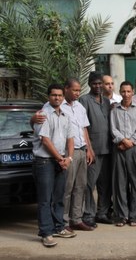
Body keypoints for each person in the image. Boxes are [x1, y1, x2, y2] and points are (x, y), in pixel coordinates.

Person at [32, 83, 76, 247]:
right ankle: (46, 232)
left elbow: (70, 138)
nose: (57, 98)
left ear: (63, 97)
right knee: (45, 199)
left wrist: (69, 158)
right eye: (53, 95)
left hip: (61, 161)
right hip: (45, 162)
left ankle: (59, 227)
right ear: (48, 97)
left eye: (59, 95)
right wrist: (60, 159)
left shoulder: (65, 115)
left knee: (58, 197)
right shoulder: (43, 115)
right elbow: (45, 141)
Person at [80, 71, 113, 227]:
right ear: (89, 84)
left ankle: (102, 213)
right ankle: (88, 214)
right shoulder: (84, 100)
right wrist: (88, 148)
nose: (98, 86)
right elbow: (82, 127)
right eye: (95, 83)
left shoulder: (106, 102)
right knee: (89, 184)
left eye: (100, 83)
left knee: (105, 185)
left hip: (108, 150)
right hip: (93, 150)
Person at [110, 81, 136, 227]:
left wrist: (131, 142)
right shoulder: (114, 110)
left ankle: (134, 215)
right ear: (120, 92)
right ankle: (122, 215)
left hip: (134, 149)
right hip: (119, 148)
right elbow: (113, 128)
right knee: (120, 182)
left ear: (132, 92)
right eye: (123, 91)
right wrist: (123, 140)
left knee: (135, 182)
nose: (126, 94)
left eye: (128, 91)